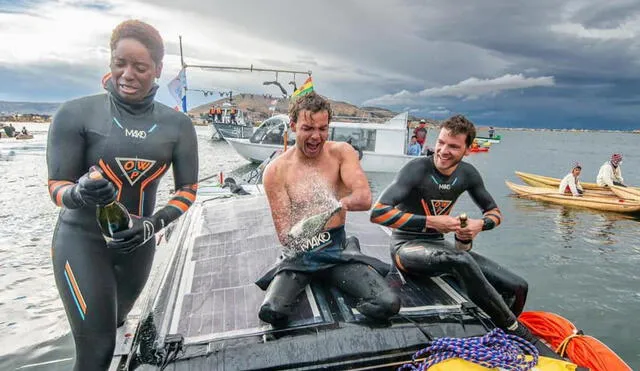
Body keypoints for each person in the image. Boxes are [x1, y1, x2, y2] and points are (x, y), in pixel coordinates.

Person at [46, 20, 198, 371]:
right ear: (110, 63)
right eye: (119, 64)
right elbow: (56, 187)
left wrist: (153, 225)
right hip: (81, 240)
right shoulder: (75, 113)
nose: (127, 74)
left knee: (117, 320)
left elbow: (188, 189)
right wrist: (80, 192)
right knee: (96, 351)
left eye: (140, 67)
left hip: (138, 245)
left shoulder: (178, 126)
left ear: (158, 70)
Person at [370, 114, 556, 356]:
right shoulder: (415, 169)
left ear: (468, 150)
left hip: (439, 247)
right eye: (441, 143)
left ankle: (496, 331)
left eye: (453, 146)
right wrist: (431, 221)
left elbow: (495, 213)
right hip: (406, 247)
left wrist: (480, 225)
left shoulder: (468, 174)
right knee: (460, 259)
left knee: (518, 287)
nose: (444, 151)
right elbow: (378, 213)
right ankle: (517, 332)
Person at [255, 92, 400, 325]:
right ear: (293, 126)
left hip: (336, 250)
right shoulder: (276, 171)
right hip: (301, 254)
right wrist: (312, 228)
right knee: (272, 312)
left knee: (388, 303)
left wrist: (336, 205)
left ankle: (351, 327)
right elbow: (285, 235)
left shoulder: (342, 153)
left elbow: (363, 198)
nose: (316, 136)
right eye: (308, 128)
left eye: (323, 129)